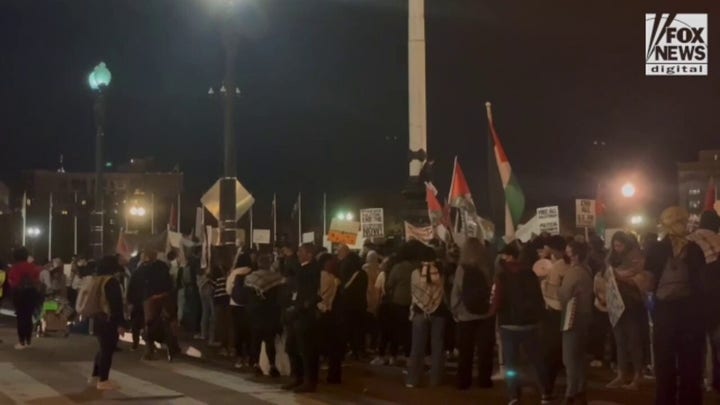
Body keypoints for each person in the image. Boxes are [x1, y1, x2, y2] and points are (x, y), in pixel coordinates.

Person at [646, 207, 704, 405]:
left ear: (666, 223)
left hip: (665, 316)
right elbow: (700, 285)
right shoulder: (695, 249)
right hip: (691, 317)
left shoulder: (656, 248)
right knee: (691, 368)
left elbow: (649, 283)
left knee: (665, 368)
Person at [494, 244, 545, 404]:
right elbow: (538, 297)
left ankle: (514, 394)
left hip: (508, 323)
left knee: (511, 363)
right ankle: (545, 392)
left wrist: (493, 314)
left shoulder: (501, 275)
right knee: (537, 360)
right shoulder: (530, 272)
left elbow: (496, 300)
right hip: (530, 323)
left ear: (509, 256)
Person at [605, 231, 649, 390]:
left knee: (634, 340)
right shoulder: (611, 259)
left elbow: (640, 280)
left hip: (632, 305)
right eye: (615, 245)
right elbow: (605, 276)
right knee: (620, 341)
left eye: (620, 245)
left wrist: (620, 277)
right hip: (616, 305)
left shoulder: (636, 258)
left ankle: (638, 374)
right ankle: (621, 374)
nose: (617, 249)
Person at [450, 238, 495, 390]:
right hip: (486, 314)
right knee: (485, 351)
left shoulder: (462, 268)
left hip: (465, 314)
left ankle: (464, 381)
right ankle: (485, 381)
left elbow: (457, 291)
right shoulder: (488, 267)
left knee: (466, 351)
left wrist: (455, 310)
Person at [686, 210, 720, 393]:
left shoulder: (689, 240)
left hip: (693, 301)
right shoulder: (718, 240)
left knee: (697, 345)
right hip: (716, 301)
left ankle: (699, 380)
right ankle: (715, 381)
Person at [283, 243, 322, 393]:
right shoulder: (300, 269)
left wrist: (303, 306)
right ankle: (297, 376)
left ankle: (310, 380)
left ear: (309, 254)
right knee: (292, 347)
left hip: (306, 315)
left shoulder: (313, 269)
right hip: (295, 313)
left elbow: (314, 293)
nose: (298, 254)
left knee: (307, 350)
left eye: (301, 251)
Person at [559, 241, 594, 404]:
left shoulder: (573, 273)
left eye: (568, 252)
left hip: (572, 316)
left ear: (575, 255)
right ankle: (580, 388)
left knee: (570, 357)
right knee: (579, 356)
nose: (566, 255)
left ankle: (570, 392)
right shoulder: (587, 270)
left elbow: (564, 295)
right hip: (585, 315)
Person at [407, 249, 445, 388]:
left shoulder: (415, 273)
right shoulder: (440, 273)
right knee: (437, 347)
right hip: (439, 312)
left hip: (419, 312)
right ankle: (435, 379)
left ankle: (413, 379)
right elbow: (442, 292)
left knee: (417, 347)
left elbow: (414, 294)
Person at [88, 256, 126, 390]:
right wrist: (121, 323)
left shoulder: (96, 280)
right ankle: (103, 380)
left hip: (97, 317)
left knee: (103, 348)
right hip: (109, 319)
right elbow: (116, 304)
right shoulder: (111, 282)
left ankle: (95, 376)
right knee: (107, 350)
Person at [539, 235, 570, 402]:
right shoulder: (573, 264)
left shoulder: (556, 267)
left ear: (552, 249)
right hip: (572, 313)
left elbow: (552, 294)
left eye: (546, 248)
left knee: (550, 354)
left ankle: (547, 391)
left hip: (555, 313)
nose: (543, 251)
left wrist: (543, 283)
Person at [245, 253, 284, 377]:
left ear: (258, 264)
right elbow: (280, 296)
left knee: (255, 339)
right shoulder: (276, 278)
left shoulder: (251, 278)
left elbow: (247, 296)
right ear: (269, 264)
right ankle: (272, 365)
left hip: (256, 313)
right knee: (269, 340)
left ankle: (255, 364)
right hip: (271, 313)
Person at [386, 242, 420, 363]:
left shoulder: (397, 267)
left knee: (395, 330)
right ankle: (408, 355)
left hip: (397, 302)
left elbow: (389, 284)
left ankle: (393, 355)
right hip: (413, 303)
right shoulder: (417, 268)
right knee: (409, 331)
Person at [338, 245, 368, 360]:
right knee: (359, 329)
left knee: (349, 328)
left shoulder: (344, 267)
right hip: (360, 305)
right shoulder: (363, 273)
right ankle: (359, 351)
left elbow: (341, 285)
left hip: (347, 304)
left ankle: (352, 350)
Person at [317, 253, 343, 383]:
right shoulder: (328, 277)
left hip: (325, 314)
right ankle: (333, 376)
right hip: (327, 314)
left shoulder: (327, 276)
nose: (335, 263)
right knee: (332, 346)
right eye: (332, 261)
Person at [9, 247, 41, 349]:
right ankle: (28, 340)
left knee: (21, 317)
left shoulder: (15, 267)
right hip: (32, 293)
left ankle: (21, 341)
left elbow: (15, 283)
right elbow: (37, 280)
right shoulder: (32, 266)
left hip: (20, 294)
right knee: (28, 316)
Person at [226, 252, 254, 369]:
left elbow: (228, 289)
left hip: (235, 304)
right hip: (249, 305)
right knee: (249, 332)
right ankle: (249, 357)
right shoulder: (253, 271)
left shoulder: (234, 273)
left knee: (237, 331)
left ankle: (239, 358)